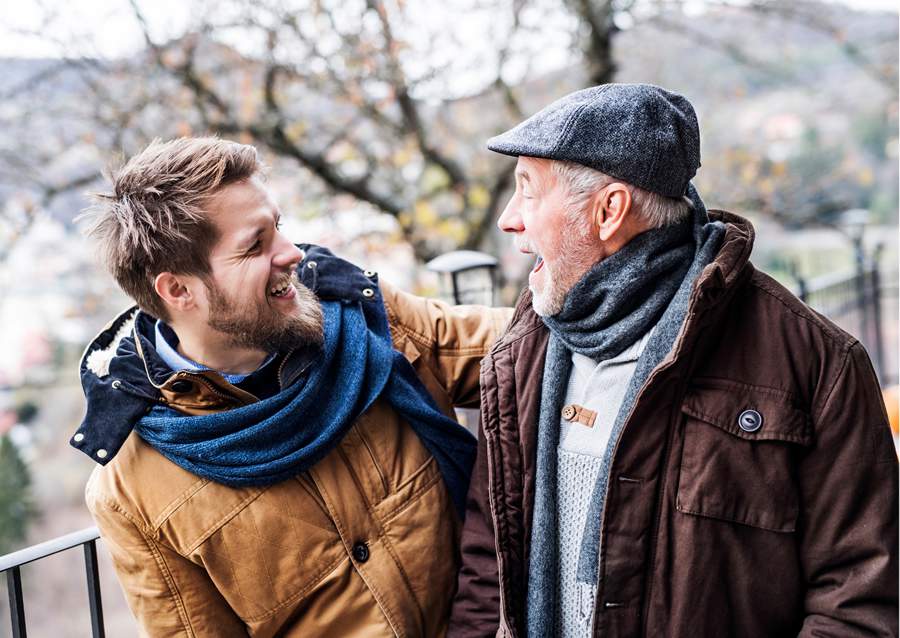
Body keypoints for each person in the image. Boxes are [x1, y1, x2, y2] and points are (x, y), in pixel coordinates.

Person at [448, 84, 898, 637]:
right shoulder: (521, 355)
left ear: (609, 210)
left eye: (528, 193)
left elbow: (859, 601)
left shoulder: (816, 363)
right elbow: (487, 570)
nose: (509, 220)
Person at [71, 137, 511, 637]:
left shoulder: (367, 316)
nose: (292, 253)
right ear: (178, 290)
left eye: (278, 227)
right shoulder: (132, 492)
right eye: (254, 245)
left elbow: (510, 346)